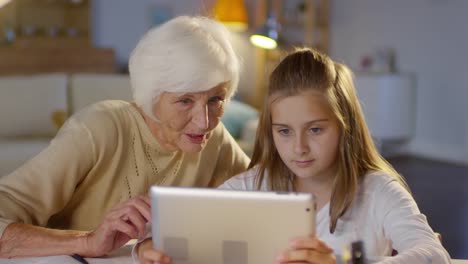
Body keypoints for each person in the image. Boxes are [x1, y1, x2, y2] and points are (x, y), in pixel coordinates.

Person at [135, 48, 451, 264]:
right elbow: (185, 235)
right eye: (284, 131)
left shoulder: (378, 191)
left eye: (315, 130)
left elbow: (434, 255)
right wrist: (148, 247)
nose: (298, 147)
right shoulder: (252, 186)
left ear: (345, 127)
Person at [0, 16, 249, 258]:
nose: (204, 122)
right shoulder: (100, 127)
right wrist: (87, 241)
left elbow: (266, 198)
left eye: (216, 99)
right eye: (185, 100)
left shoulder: (215, 139)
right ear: (152, 95)